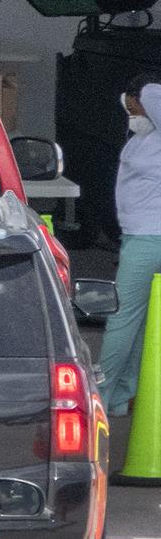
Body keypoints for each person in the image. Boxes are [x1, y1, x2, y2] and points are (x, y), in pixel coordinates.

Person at [101, 74, 161, 416]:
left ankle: (101, 393)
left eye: (132, 103)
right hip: (139, 237)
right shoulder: (148, 138)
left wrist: (135, 91)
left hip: (148, 239)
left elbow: (152, 92)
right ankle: (122, 396)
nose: (129, 110)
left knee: (121, 319)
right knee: (139, 325)